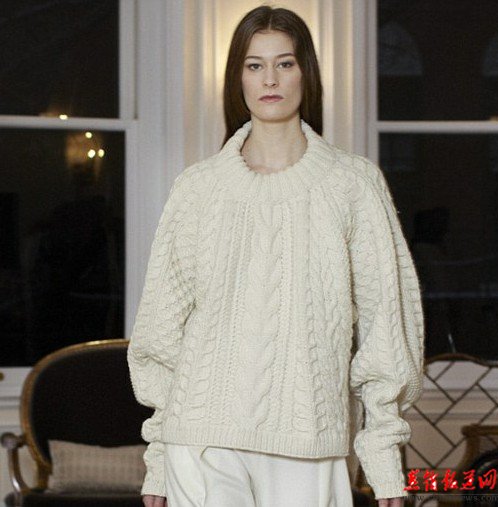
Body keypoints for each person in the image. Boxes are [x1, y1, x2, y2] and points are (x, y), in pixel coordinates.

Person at [127, 5, 425, 507]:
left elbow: (386, 329)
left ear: (306, 73)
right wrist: (158, 460)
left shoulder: (353, 185)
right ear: (237, 78)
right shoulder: (198, 188)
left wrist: (382, 458)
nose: (270, 79)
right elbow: (160, 332)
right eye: (254, 65)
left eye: (285, 63)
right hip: (200, 438)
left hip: (310, 439)